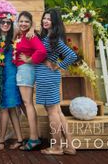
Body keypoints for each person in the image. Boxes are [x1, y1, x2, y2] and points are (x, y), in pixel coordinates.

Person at [37, 8, 78, 155]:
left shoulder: (54, 39)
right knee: (58, 111)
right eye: (44, 18)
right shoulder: (47, 37)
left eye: (49, 19)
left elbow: (72, 56)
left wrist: (58, 65)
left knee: (52, 112)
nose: (45, 21)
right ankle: (70, 145)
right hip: (47, 76)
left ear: (55, 22)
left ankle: (57, 147)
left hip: (47, 76)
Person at [13, 11, 47, 151]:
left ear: (30, 23)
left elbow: (42, 51)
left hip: (26, 70)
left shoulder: (30, 36)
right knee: (24, 103)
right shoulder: (22, 35)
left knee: (27, 103)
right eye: (21, 21)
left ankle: (33, 139)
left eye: (26, 21)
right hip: (22, 71)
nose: (23, 24)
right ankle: (36, 135)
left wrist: (29, 60)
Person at [0, 12, 25, 151]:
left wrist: (11, 17)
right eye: (2, 22)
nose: (5, 24)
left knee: (6, 107)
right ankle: (20, 139)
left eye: (8, 22)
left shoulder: (13, 37)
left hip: (11, 76)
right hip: (0, 76)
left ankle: (1, 140)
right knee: (11, 109)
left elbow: (24, 27)